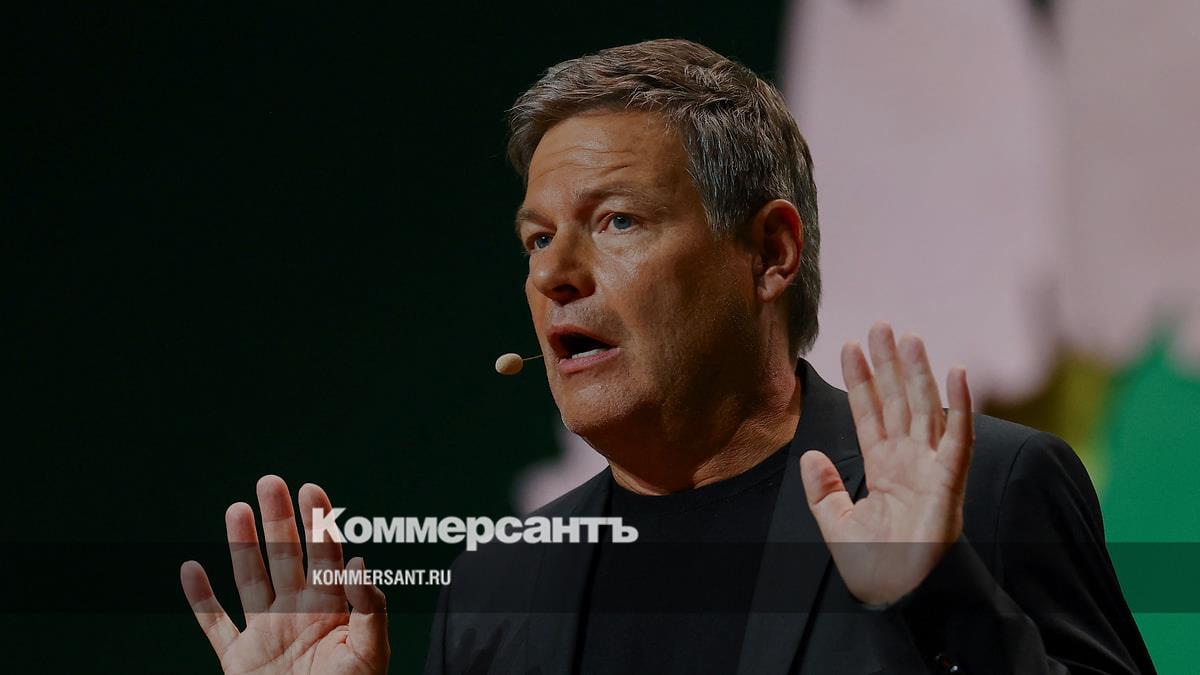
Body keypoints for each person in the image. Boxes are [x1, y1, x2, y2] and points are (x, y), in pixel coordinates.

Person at [181, 39, 1155, 674]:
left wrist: (941, 596)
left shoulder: (992, 493)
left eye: (615, 220)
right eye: (535, 239)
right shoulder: (499, 587)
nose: (553, 273)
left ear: (769, 252)